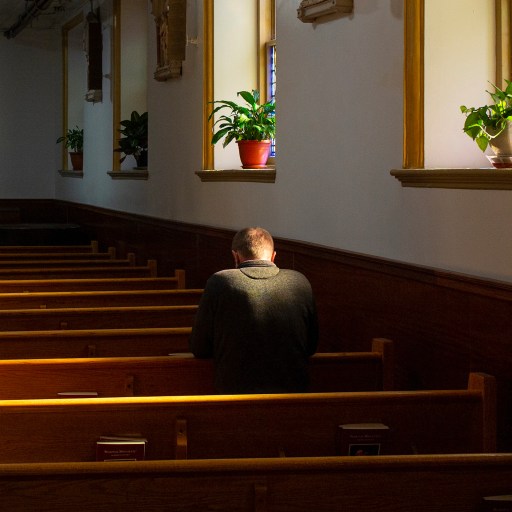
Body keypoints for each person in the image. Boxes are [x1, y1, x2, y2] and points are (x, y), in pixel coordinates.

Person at [189, 227, 319, 394]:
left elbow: (200, 347)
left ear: (235, 256)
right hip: (293, 393)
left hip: (235, 394)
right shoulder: (299, 282)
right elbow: (311, 346)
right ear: (273, 257)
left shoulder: (220, 283)